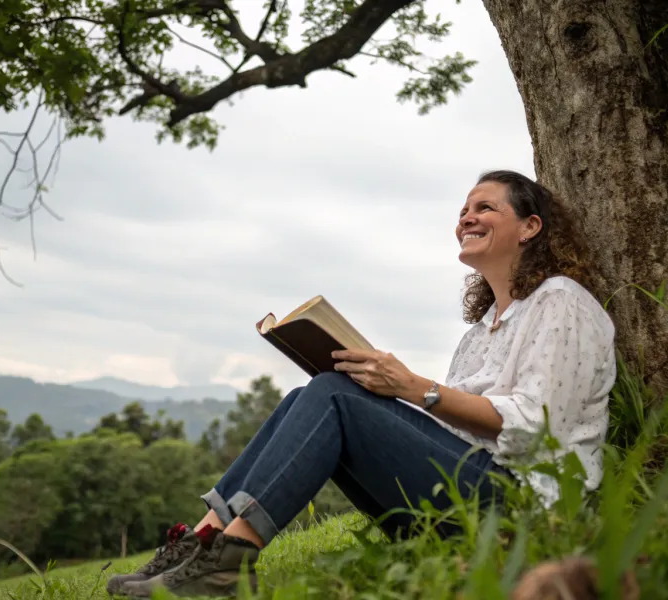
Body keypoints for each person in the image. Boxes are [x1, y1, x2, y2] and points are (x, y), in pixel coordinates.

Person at [106, 170, 616, 598]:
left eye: (485, 207)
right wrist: (386, 391)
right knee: (313, 393)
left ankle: (227, 565)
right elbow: (456, 432)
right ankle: (197, 545)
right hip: (459, 492)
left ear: (530, 227)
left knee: (333, 394)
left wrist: (413, 388)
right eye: (463, 209)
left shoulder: (560, 300)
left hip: (519, 504)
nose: (466, 217)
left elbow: (535, 427)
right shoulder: (479, 333)